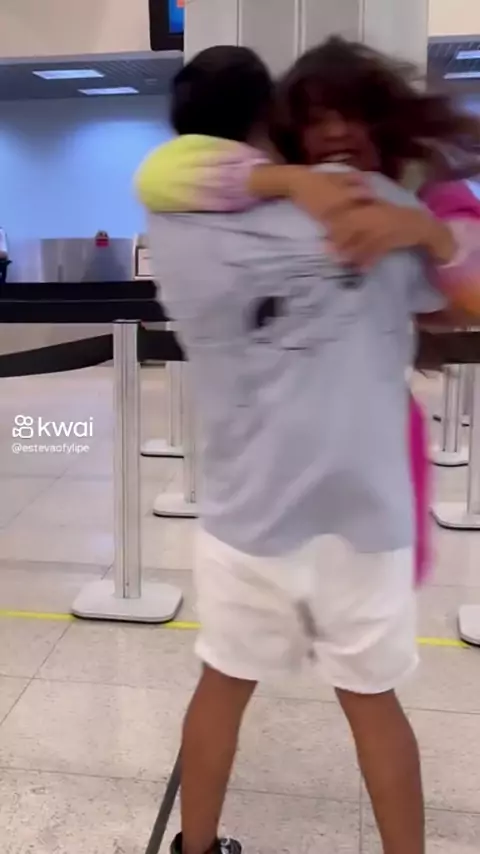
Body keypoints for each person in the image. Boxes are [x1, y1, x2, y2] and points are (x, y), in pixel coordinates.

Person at [135, 45, 475, 854]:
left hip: (247, 515)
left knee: (223, 686)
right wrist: (429, 228)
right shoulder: (370, 202)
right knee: (373, 702)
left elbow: (165, 172)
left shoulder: (171, 225)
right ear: (271, 122)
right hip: (363, 517)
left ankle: (196, 848)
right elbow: (453, 302)